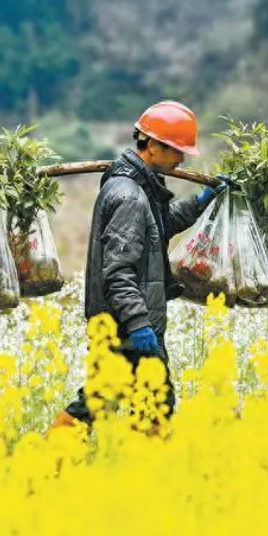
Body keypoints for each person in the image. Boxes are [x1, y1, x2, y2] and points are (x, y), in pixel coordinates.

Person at [49, 100, 227, 432]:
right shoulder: (129, 196)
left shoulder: (136, 188)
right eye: (176, 150)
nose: (182, 159)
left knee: (104, 397)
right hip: (126, 324)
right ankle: (135, 470)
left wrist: (200, 202)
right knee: (151, 401)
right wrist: (138, 324)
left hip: (120, 321)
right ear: (153, 146)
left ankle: (119, 470)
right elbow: (118, 272)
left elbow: (157, 227)